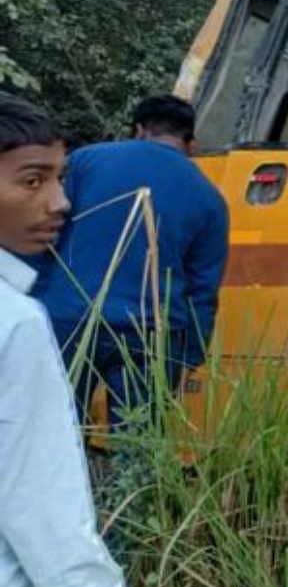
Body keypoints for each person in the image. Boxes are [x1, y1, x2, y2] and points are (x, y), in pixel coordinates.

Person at [0, 92, 154, 587]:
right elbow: (40, 503)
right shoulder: (15, 326)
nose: (59, 202)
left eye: (59, 179)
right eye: (32, 180)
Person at [33, 94, 229, 429]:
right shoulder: (210, 198)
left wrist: (32, 299)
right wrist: (188, 355)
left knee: (55, 433)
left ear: (139, 130)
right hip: (152, 333)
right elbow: (203, 289)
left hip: (70, 318)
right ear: (191, 142)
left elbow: (42, 231)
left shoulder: (86, 162)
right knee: (137, 445)